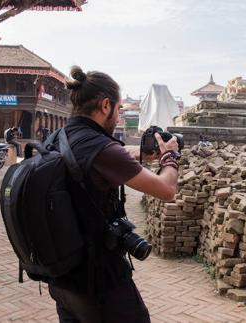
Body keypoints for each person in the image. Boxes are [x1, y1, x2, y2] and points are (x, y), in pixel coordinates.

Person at [47, 66, 179, 323]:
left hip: (61, 278)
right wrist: (170, 157)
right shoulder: (101, 148)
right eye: (119, 110)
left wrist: (142, 156)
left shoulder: (58, 138)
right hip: (99, 280)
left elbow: (106, 159)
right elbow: (167, 190)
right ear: (105, 105)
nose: (119, 118)